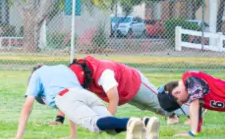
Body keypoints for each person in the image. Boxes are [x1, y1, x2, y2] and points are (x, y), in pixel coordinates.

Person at [13, 64, 160, 139]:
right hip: (85, 95)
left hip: (65, 96)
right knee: (108, 125)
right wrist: (73, 135)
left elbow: (28, 106)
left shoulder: (37, 74)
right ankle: (145, 125)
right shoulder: (63, 68)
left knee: (95, 124)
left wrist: (19, 136)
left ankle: (132, 123)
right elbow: (71, 110)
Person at [49, 56, 181, 126]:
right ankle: (173, 115)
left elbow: (114, 99)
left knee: (160, 104)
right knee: (152, 108)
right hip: (123, 93)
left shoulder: (104, 74)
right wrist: (59, 119)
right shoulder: (75, 74)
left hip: (134, 83)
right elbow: (68, 96)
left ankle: (193, 108)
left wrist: (107, 123)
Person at [159, 71, 225, 137]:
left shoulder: (189, 78)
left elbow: (194, 103)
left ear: (177, 93)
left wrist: (192, 132)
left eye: (182, 102)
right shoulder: (198, 96)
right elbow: (197, 109)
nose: (185, 102)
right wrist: (195, 131)